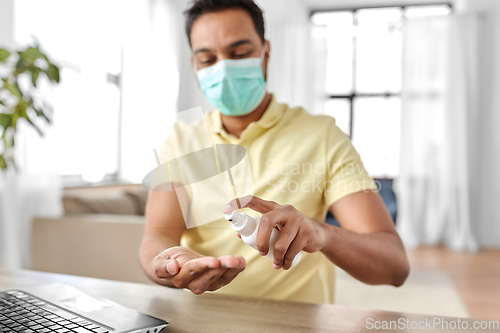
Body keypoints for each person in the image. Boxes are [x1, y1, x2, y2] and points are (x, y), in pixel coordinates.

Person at [139, 0, 409, 304]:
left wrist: (321, 234)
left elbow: (395, 266)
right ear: (194, 66)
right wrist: (170, 262)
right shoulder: (180, 140)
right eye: (207, 58)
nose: (223, 69)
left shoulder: (322, 137)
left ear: (266, 53)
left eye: (239, 54)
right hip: (199, 319)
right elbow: (156, 237)